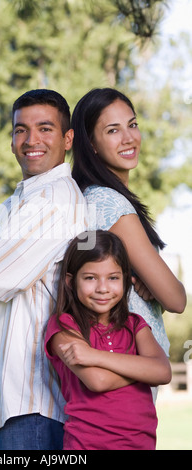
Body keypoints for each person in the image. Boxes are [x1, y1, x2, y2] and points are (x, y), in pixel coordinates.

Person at [0, 89, 87, 450]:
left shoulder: (54, 199)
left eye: (45, 128)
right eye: (20, 130)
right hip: (16, 398)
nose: (31, 141)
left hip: (35, 400)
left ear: (68, 138)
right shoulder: (19, 201)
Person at [71, 88, 186, 374]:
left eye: (132, 124)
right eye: (113, 130)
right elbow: (176, 299)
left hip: (122, 363)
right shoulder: (109, 203)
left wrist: (142, 278)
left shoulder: (87, 197)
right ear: (91, 144)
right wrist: (155, 285)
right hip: (128, 367)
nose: (129, 138)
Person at [45, 230, 172, 450]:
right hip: (86, 447)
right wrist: (142, 369)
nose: (102, 288)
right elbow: (98, 381)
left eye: (113, 278)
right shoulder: (64, 325)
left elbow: (163, 372)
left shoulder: (135, 324)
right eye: (90, 278)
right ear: (70, 281)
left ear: (125, 279)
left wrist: (93, 355)